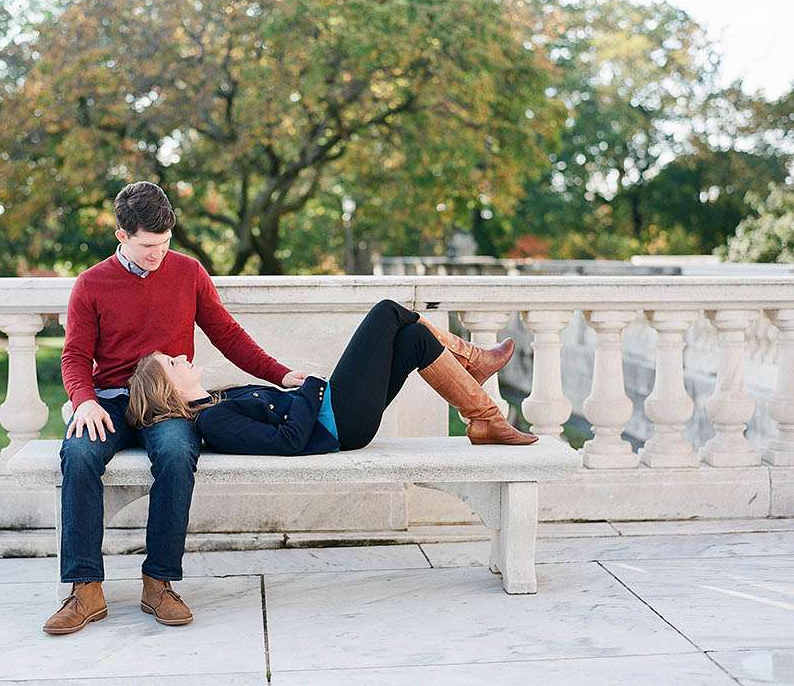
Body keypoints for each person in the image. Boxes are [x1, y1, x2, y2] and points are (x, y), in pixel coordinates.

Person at [43, 181, 308, 636]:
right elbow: (73, 357)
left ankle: (159, 582)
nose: (158, 255)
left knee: (175, 454)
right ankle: (85, 589)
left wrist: (279, 374)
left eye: (166, 244)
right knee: (80, 455)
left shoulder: (188, 273)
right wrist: (82, 401)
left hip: (166, 403)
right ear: (122, 236)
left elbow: (227, 334)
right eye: (148, 245)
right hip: (109, 400)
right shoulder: (91, 284)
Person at [125, 299, 537, 458]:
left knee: (412, 339)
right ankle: (474, 361)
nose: (182, 356)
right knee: (387, 312)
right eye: (173, 364)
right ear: (170, 390)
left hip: (335, 411)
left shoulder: (214, 403)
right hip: (338, 421)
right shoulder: (212, 421)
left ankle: (484, 420)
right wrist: (307, 388)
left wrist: (295, 386)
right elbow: (286, 442)